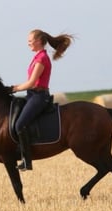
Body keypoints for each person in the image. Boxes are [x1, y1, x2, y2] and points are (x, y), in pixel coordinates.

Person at [8, 29, 74, 171]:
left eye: (30, 41)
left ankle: (27, 160)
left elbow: (31, 83)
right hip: (32, 95)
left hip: (39, 97)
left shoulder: (42, 58)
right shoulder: (37, 56)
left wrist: (13, 88)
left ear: (39, 41)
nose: (28, 44)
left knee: (20, 125)